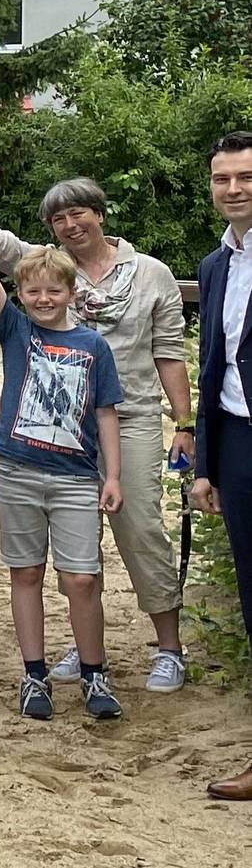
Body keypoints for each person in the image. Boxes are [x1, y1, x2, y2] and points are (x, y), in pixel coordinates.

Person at [0, 147, 191, 694]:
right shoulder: (44, 269)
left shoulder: (151, 274)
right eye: (58, 219)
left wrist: (184, 421)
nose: (70, 225)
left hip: (127, 416)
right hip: (47, 435)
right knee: (75, 546)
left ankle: (168, 646)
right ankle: (84, 645)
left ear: (100, 213)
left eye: (78, 213)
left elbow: (168, 351)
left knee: (137, 527)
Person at [0, 175, 125, 722]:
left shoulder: (92, 344)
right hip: (20, 471)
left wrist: (113, 476)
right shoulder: (13, 329)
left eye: (55, 291)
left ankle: (94, 674)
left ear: (71, 293)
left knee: (81, 577)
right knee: (25, 572)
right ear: (22, 295)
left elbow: (105, 413)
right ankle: (34, 677)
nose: (44, 299)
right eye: (34, 291)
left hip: (77, 476)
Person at [192, 130, 252, 800]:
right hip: (237, 444)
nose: (234, 188)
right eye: (223, 178)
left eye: (246, 176)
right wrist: (205, 463)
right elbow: (214, 368)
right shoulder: (215, 265)